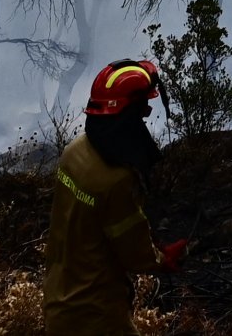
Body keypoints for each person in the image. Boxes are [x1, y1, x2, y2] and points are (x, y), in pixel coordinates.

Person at [44, 59, 191, 335]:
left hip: (58, 301)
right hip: (95, 315)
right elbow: (134, 252)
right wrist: (163, 258)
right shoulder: (116, 180)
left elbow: (92, 220)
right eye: (141, 108)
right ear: (127, 114)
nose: (146, 112)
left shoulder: (73, 152)